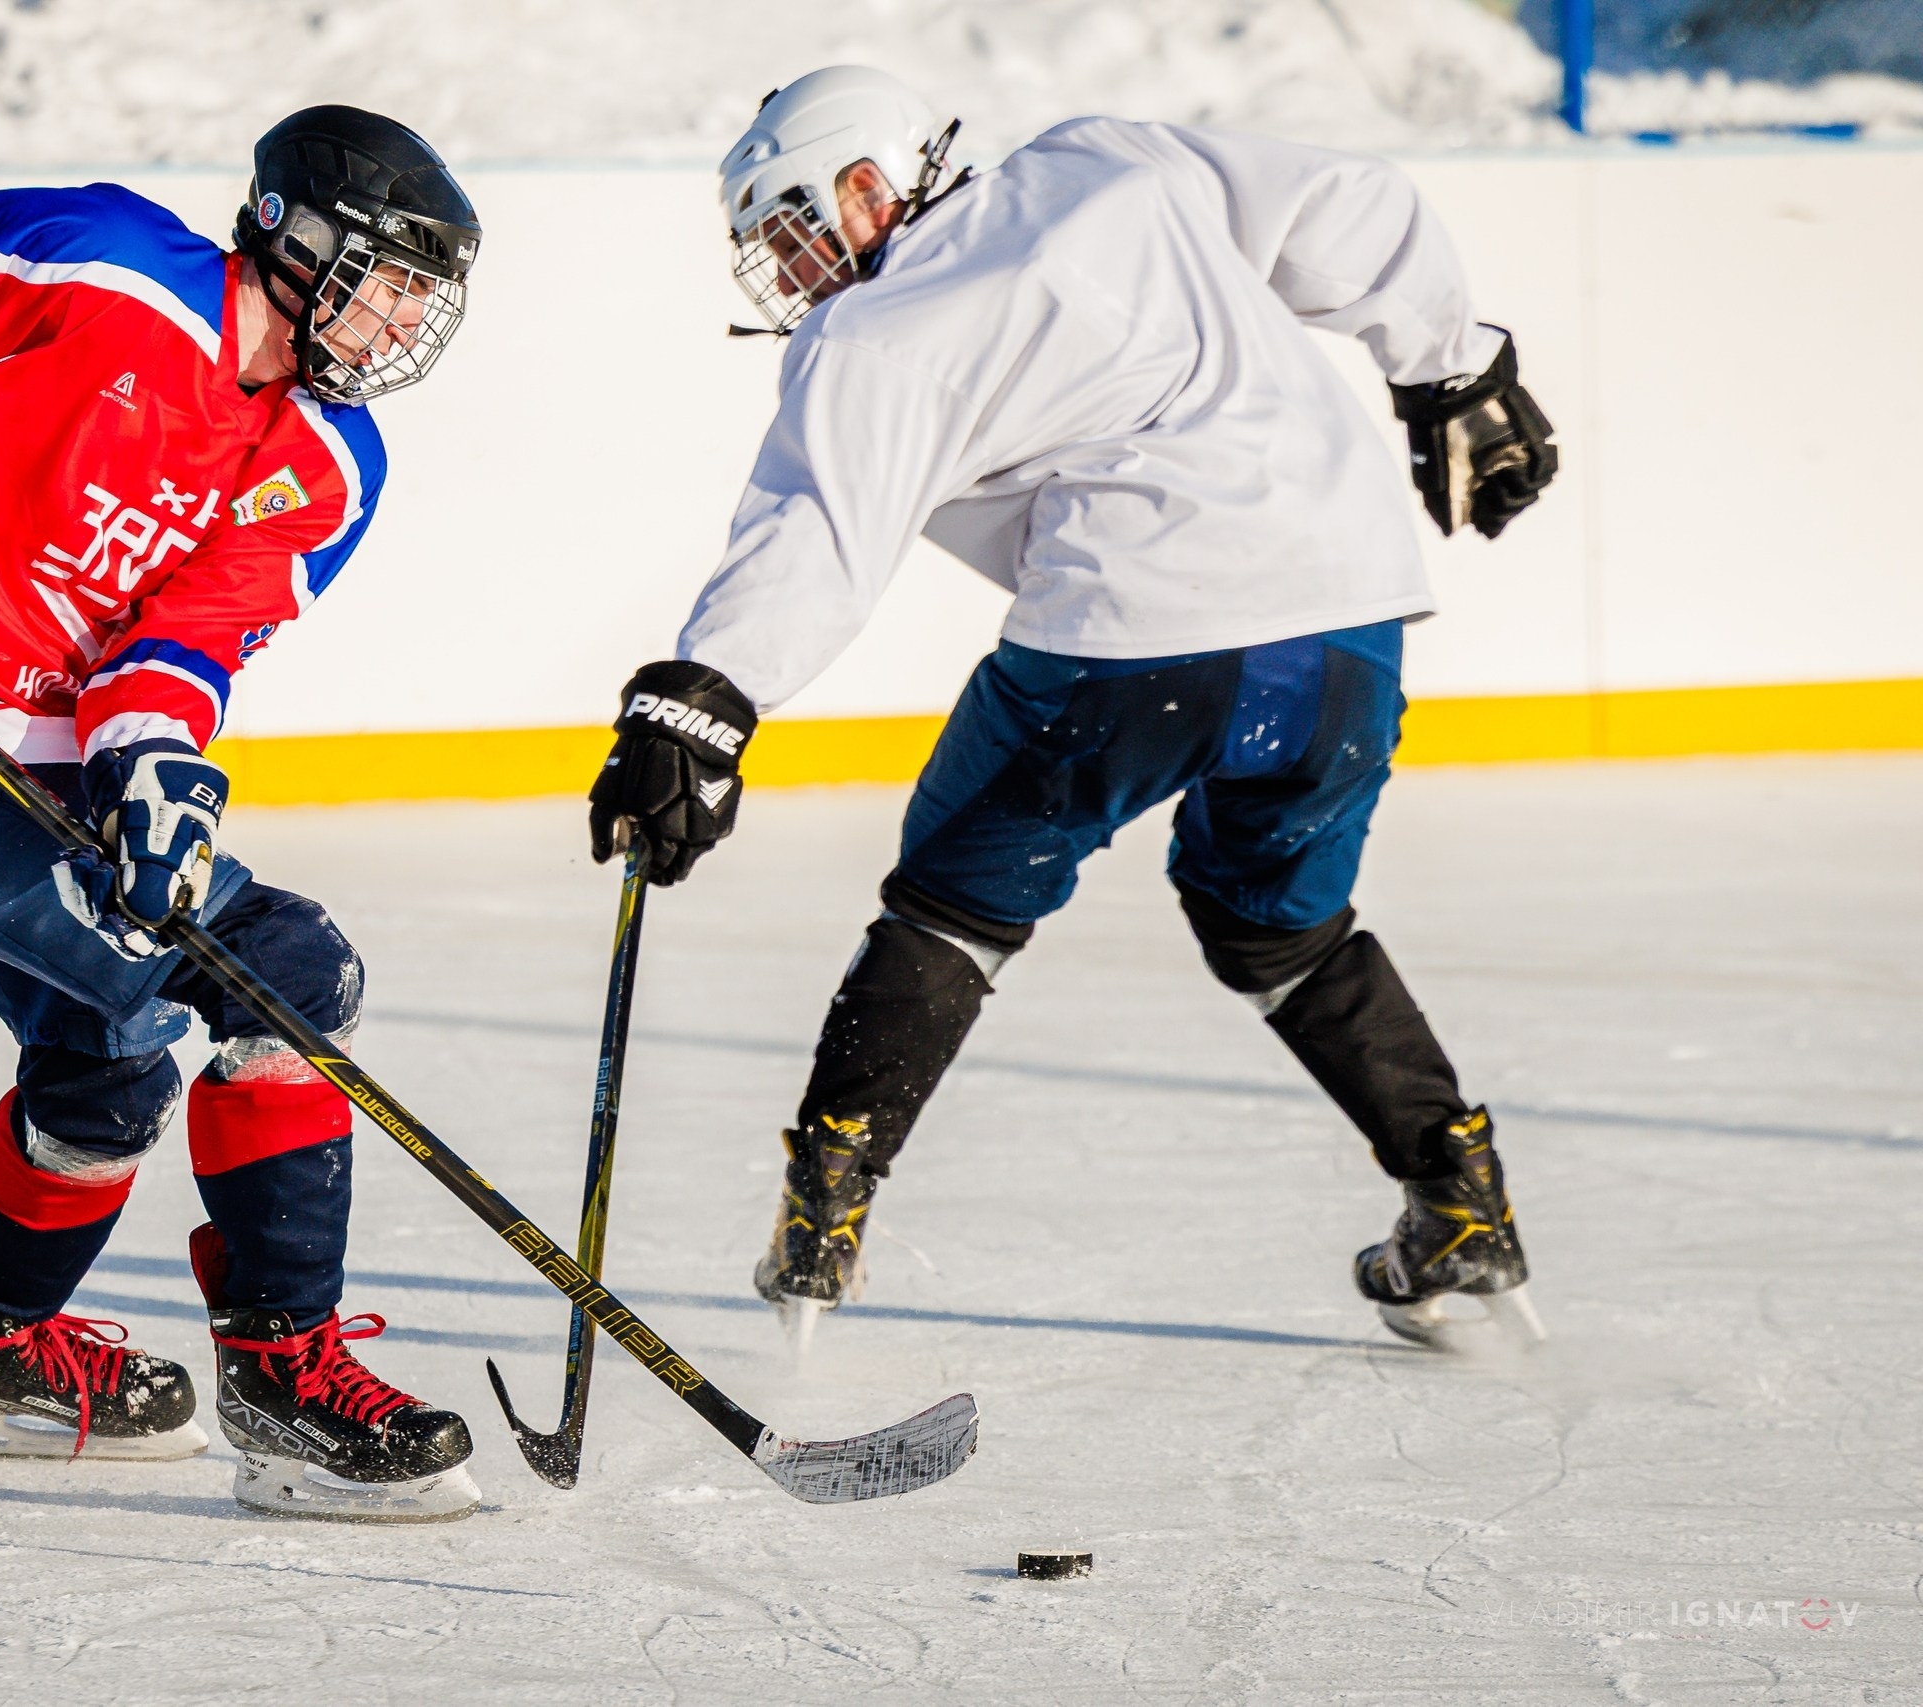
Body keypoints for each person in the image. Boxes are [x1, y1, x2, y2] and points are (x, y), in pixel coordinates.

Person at [586, 67, 1559, 1352]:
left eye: (792, 227)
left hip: (1134, 635)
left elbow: (816, 532)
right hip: (1348, 618)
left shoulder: (872, 333)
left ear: (868, 186)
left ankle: (822, 1221)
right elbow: (1350, 203)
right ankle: (1458, 1202)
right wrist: (1452, 365)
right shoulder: (1109, 158)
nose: (786, 269)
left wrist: (705, 699)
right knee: (1276, 923)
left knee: (951, 903)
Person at [0, 107, 487, 1519]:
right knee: (290, 973)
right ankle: (284, 1381)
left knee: (108, 1070)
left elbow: (180, 642)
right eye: (395, 279)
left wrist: (154, 769)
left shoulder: (330, 463)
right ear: (298, 239)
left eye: (425, 296)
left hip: (62, 778)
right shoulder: (95, 262)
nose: (409, 321)